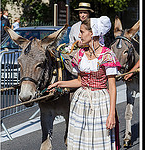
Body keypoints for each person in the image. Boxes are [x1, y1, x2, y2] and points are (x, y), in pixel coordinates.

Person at [48, 16, 121, 149]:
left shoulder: (107, 55)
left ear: (92, 33)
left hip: (100, 103)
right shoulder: (80, 54)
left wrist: (111, 114)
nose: (79, 35)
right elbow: (80, 81)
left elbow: (112, 87)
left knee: (99, 141)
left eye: (81, 32)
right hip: (81, 102)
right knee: (79, 142)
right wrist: (60, 84)